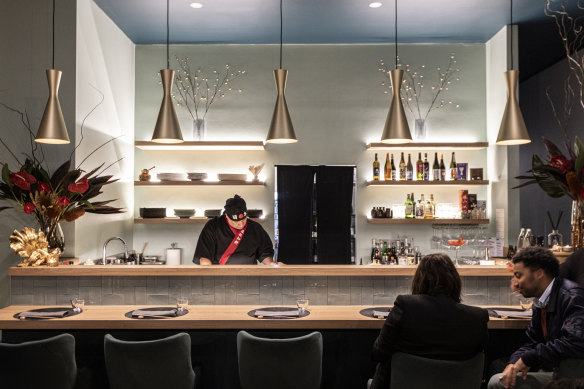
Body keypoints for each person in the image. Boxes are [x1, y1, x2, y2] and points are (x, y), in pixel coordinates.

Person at [369, 253, 489, 389]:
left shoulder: (406, 306)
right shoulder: (477, 318)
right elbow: (481, 364)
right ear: (455, 281)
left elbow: (378, 352)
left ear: (420, 280)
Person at [488, 247, 584, 389]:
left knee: (497, 382)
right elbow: (532, 341)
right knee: (500, 367)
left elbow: (576, 342)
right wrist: (513, 362)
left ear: (539, 274)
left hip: (571, 378)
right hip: (552, 366)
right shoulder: (541, 301)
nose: (516, 283)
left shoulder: (571, 296)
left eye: (519, 275)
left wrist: (529, 358)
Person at [193, 194, 275, 265]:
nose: (241, 224)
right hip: (220, 278)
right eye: (236, 221)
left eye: (244, 219)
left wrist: (270, 264)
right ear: (227, 217)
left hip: (248, 277)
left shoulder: (255, 227)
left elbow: (265, 252)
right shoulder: (213, 226)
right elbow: (204, 258)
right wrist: (211, 277)